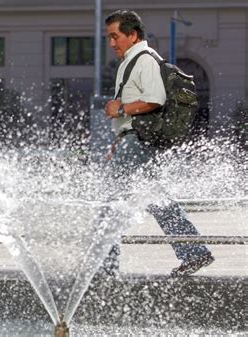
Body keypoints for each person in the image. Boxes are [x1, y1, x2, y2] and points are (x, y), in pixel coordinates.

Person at [102, 9, 214, 277]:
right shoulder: (133, 60)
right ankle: (194, 252)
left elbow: (154, 99)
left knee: (110, 203)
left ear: (132, 35)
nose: (111, 43)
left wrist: (119, 110)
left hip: (137, 142)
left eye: (115, 36)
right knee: (157, 199)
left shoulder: (144, 60)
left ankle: (104, 266)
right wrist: (120, 136)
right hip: (135, 140)